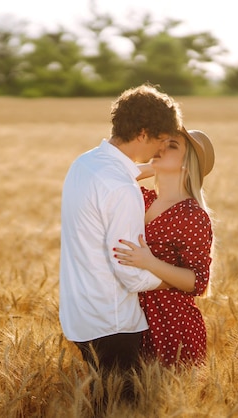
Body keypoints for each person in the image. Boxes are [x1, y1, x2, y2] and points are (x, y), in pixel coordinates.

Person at [59, 83, 184, 408]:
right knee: (120, 410)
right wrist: (175, 278)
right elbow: (131, 276)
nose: (159, 150)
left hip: (80, 316)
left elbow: (117, 180)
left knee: (102, 405)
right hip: (112, 322)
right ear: (143, 133)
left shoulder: (84, 164)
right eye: (160, 140)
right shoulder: (122, 190)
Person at [113, 127, 215, 368]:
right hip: (130, 317)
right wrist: (152, 166)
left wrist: (149, 262)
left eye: (172, 146)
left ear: (187, 163)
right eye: (162, 142)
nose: (160, 147)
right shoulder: (142, 199)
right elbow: (114, 177)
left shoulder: (192, 215)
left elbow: (198, 281)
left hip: (171, 325)